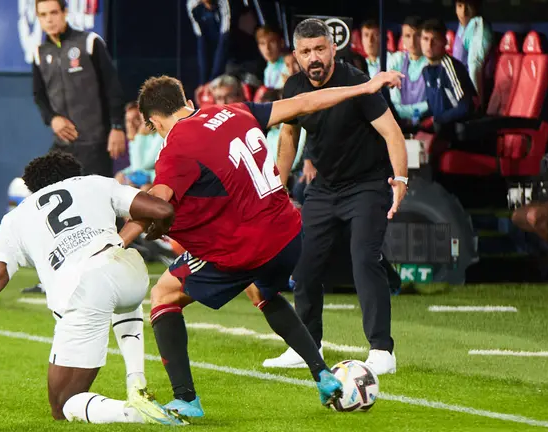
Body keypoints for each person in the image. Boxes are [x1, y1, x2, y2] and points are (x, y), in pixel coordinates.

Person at [122, 69, 402, 417]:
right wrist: (365, 86)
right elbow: (304, 103)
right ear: (189, 102)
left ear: (152, 122)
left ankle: (186, 399)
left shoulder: (176, 146)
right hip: (288, 236)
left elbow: (157, 204)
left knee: (163, 295)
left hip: (247, 247)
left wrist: (115, 245)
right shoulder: (237, 111)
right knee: (260, 290)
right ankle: (323, 375)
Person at [0, 151, 185, 426]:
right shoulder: (96, 182)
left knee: (63, 403)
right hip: (131, 271)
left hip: (86, 288)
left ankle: (134, 412)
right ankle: (137, 384)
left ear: (31, 188)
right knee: (119, 286)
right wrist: (146, 229)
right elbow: (162, 210)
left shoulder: (16, 218)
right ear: (75, 174)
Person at [264, 18, 408, 375]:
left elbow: (392, 133)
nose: (314, 57)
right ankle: (306, 346)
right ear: (296, 55)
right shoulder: (294, 87)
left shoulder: (358, 82)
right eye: (306, 52)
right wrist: (280, 185)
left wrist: (401, 178)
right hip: (324, 189)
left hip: (366, 185)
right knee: (304, 265)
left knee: (364, 260)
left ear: (333, 48)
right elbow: (288, 138)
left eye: (320, 49)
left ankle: (382, 351)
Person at [32, 0, 126, 178]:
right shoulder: (39, 53)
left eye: (53, 13)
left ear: (65, 12)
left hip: (95, 144)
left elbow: (113, 87)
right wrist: (52, 119)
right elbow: (39, 95)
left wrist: (117, 126)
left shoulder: (89, 43)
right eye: (43, 15)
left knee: (95, 201)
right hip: (63, 145)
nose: (49, 20)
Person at [421, 19, 478, 131]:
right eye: (425, 39)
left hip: (461, 131)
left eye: (435, 39)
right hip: (442, 128)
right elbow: (433, 108)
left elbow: (465, 107)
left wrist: (436, 120)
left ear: (444, 42)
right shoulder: (425, 70)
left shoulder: (450, 67)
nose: (429, 44)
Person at [388, 16, 429, 125]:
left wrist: (405, 112)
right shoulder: (397, 60)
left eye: (417, 35)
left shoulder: (432, 63)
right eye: (407, 36)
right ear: (402, 38)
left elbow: (432, 105)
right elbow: (393, 104)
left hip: (426, 123)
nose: (412, 41)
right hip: (398, 123)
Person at [116, 102, 163, 191]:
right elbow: (136, 167)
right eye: (128, 121)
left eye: (136, 119)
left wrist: (140, 136)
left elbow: (142, 166)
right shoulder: (140, 137)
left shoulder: (158, 135)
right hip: (152, 177)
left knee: (144, 189)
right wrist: (123, 173)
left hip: (161, 180)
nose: (131, 125)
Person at [453, 0, 493, 100]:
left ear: (476, 7)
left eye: (468, 6)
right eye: (460, 6)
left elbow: (475, 67)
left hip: (474, 94)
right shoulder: (462, 26)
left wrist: (475, 105)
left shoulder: (478, 25)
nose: (463, 12)